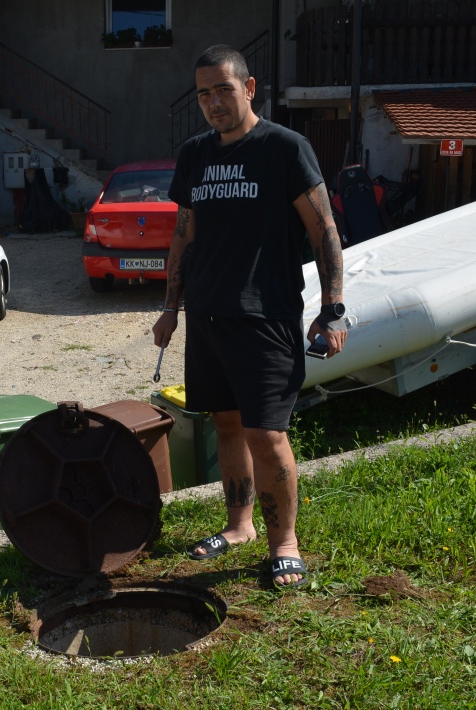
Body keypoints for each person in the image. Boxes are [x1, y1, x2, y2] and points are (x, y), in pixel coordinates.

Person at [151, 45, 347, 589]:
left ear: (250, 87)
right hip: (208, 316)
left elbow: (323, 230)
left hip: (266, 316)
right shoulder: (194, 155)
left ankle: (284, 541)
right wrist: (170, 306)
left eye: (224, 90)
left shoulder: (284, 148)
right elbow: (184, 234)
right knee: (226, 424)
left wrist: (333, 310)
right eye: (204, 94)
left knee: (267, 432)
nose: (213, 103)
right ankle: (240, 526)